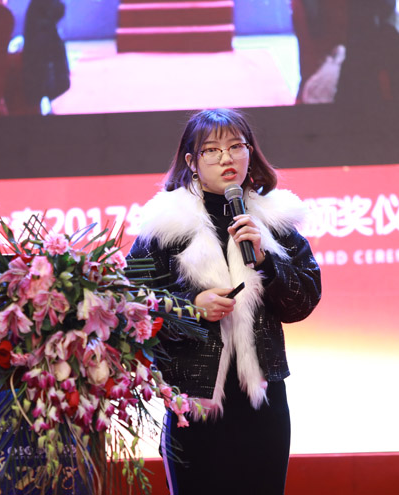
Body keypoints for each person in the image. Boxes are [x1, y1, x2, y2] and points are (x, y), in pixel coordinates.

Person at [127, 108, 322, 494]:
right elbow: (131, 305)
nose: (226, 158)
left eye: (236, 147)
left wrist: (266, 260)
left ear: (250, 153)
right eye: (212, 150)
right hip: (193, 400)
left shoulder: (276, 222)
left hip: (263, 399)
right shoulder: (164, 227)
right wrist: (190, 307)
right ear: (191, 162)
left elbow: (303, 301)